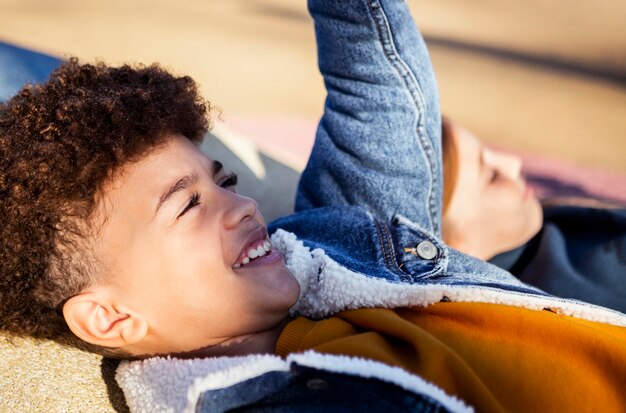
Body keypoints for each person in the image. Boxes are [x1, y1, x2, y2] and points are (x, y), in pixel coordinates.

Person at [2, 0, 626, 411]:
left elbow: (376, 97)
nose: (242, 204)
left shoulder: (332, 249)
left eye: (223, 181)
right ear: (112, 320)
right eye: (187, 206)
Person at [440, 117, 626, 313]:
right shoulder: (560, 308)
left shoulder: (558, 220)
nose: (514, 163)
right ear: (453, 248)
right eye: (492, 177)